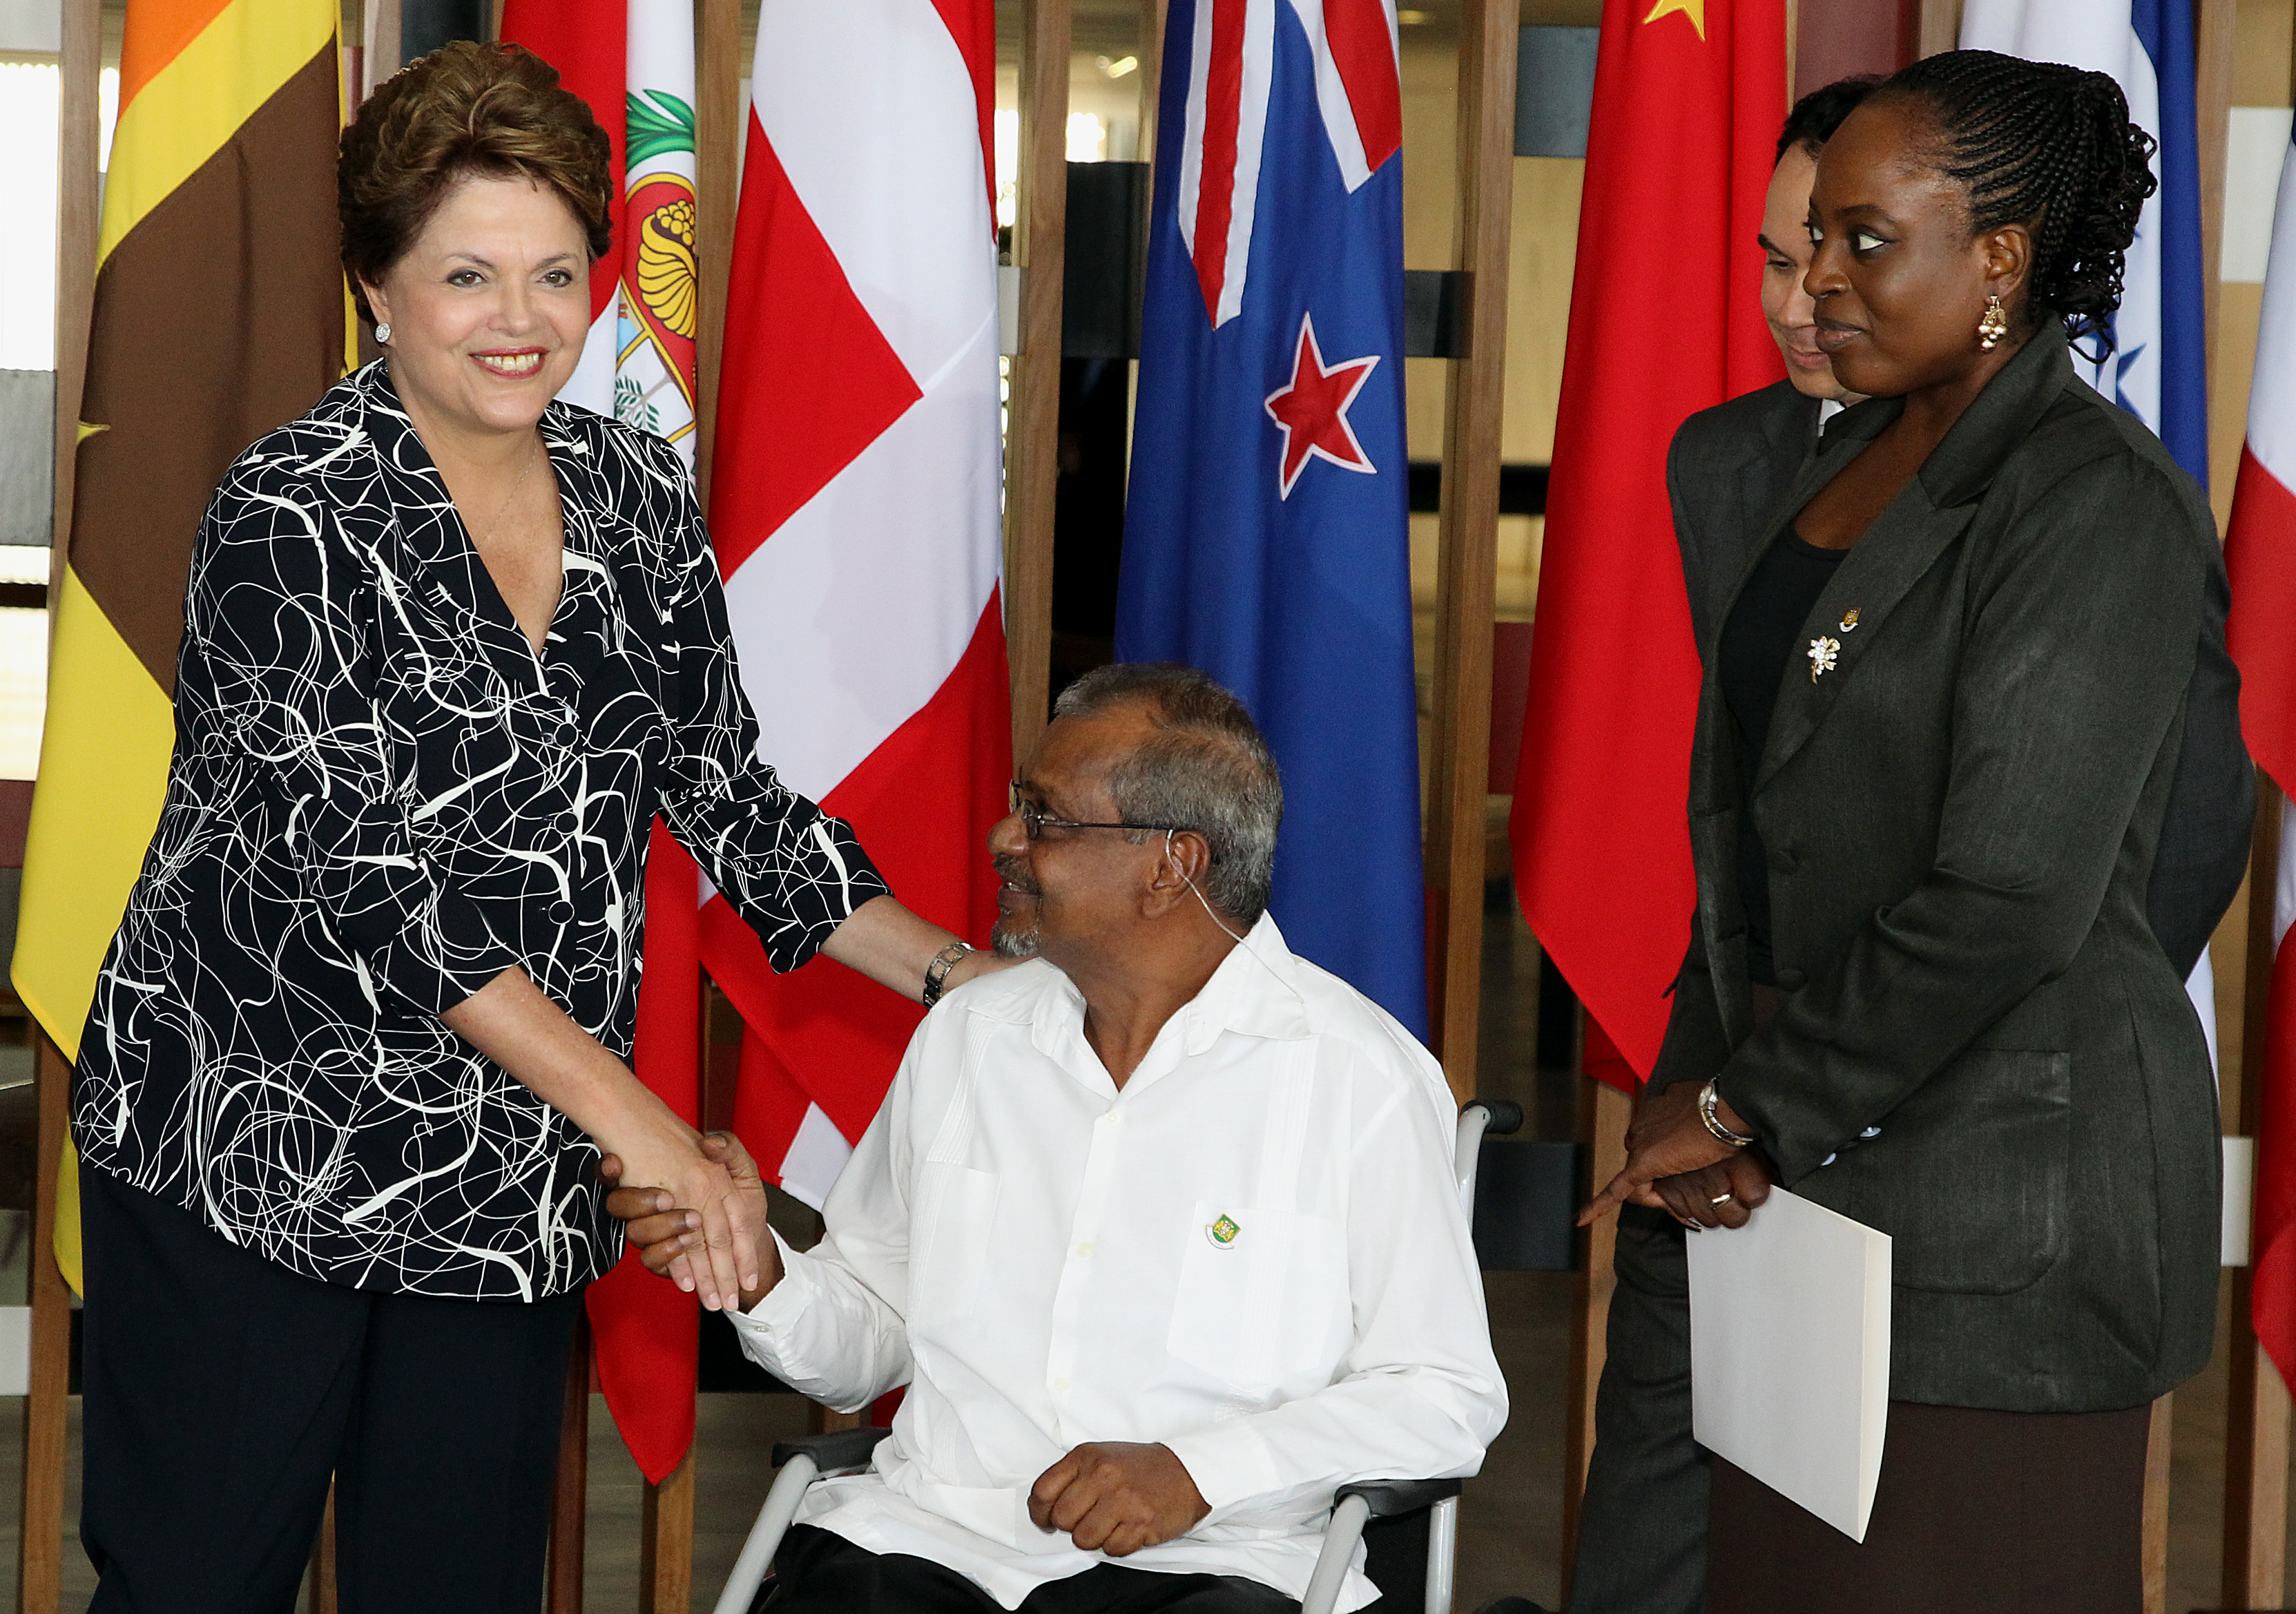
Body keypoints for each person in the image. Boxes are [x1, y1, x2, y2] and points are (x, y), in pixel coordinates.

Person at [70, 41, 1000, 1613]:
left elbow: (725, 793)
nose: (520, 320)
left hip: (504, 1171)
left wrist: (959, 974)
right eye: (466, 275)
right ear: (375, 284)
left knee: (459, 1585)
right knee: (195, 1586)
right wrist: (644, 1122)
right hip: (248, 1145)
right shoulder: (287, 515)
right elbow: (377, 900)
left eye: (557, 272)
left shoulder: (636, 495)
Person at [1561, 70, 2251, 1614]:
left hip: (2001, 1226)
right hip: (1796, 1193)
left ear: (1997, 259)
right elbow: (1759, 832)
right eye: (1810, 240)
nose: (1812, 280)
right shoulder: (1831, 457)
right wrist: (1710, 1076)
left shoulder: (2090, 500)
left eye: (1860, 241)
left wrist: (1749, 1097)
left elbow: (2012, 891)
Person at [610, 662, 1506, 1614]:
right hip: (929, 1542)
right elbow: (872, 1338)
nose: (1003, 839)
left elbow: (1442, 1394)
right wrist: (761, 1270)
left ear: (1173, 864)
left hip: (1215, 1564)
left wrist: (1195, 1472)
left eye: (1045, 817)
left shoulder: (1353, 1073)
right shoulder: (969, 1035)